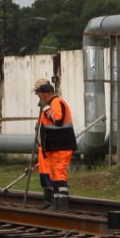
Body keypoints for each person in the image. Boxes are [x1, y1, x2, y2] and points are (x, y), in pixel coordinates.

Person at [34, 78, 77, 210]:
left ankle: (62, 203)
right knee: (54, 173)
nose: (39, 98)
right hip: (54, 146)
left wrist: (46, 110)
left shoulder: (56, 102)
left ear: (44, 94)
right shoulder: (52, 103)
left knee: (58, 172)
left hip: (61, 145)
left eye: (39, 95)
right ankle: (56, 202)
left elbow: (57, 120)